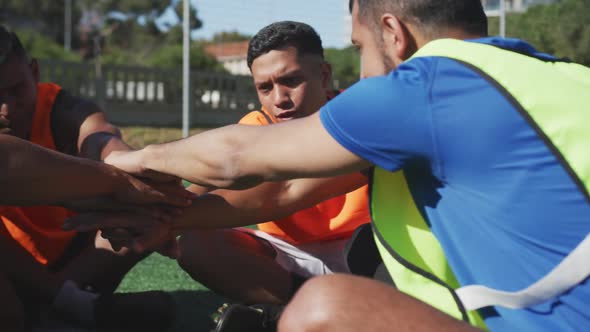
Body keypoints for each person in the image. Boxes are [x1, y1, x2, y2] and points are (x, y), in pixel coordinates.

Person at [72, 0, 590, 330]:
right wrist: (173, 218)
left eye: (360, 47)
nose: (364, 68)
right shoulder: (567, 77)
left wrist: (127, 159)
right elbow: (285, 193)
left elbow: (237, 161)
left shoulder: (419, 89)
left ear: (393, 34)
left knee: (323, 311)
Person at [0, 25, 192, 332]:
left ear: (34, 73)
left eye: (17, 90)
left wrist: (135, 173)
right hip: (9, 271)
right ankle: (72, 308)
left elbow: (101, 139)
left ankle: (60, 308)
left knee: (138, 213)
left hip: (78, 266)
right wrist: (113, 182)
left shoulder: (62, 109)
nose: (6, 109)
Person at [176, 21, 370, 308]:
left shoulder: (363, 117)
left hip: (366, 252)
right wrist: (150, 213)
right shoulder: (254, 130)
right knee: (195, 244)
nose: (279, 99)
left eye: (291, 80)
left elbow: (282, 191)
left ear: (324, 75)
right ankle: (300, 310)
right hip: (288, 255)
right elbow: (196, 190)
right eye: (265, 88)